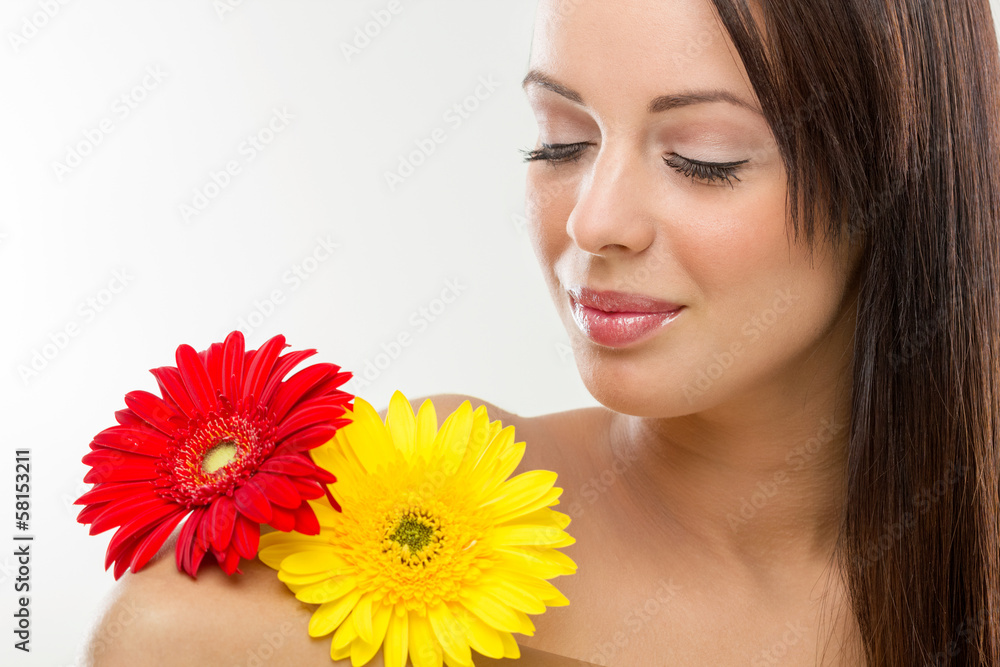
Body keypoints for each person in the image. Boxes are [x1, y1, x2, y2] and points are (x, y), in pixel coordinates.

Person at [83, 0, 1000, 665]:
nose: (595, 221)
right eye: (561, 140)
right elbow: (153, 634)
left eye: (703, 159)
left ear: (903, 183)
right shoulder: (420, 489)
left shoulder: (967, 556)